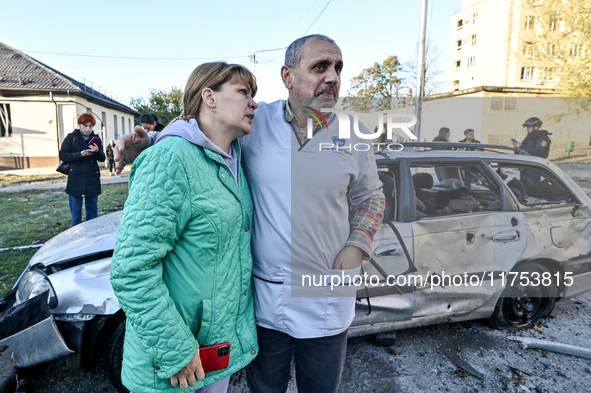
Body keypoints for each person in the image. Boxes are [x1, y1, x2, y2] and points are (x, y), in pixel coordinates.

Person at [114, 35, 385, 393]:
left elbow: (372, 197)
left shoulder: (354, 135)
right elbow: (200, 137)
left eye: (338, 68)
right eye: (320, 66)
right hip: (263, 302)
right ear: (288, 76)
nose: (333, 77)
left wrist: (358, 246)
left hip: (326, 299)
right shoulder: (256, 122)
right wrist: (149, 144)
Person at [110, 62, 259, 393]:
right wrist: (176, 351)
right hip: (174, 362)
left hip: (212, 353)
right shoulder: (171, 158)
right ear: (209, 97)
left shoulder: (232, 157)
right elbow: (130, 270)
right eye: (243, 92)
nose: (254, 103)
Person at [58, 113, 105, 226]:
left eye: (90, 126)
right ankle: (77, 238)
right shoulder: (72, 137)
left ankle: (92, 236)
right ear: (80, 124)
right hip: (76, 178)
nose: (87, 129)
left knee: (92, 212)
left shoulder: (96, 139)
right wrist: (79, 155)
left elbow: (102, 158)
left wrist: (98, 151)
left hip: (92, 178)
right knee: (76, 214)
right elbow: (63, 155)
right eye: (85, 125)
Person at [512, 117, 552, 183]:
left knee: (531, 188)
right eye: (527, 127)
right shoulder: (530, 137)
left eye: (529, 127)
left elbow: (538, 151)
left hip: (534, 168)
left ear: (536, 127)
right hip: (525, 167)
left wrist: (521, 146)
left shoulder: (543, 138)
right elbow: (524, 150)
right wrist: (517, 148)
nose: (527, 129)